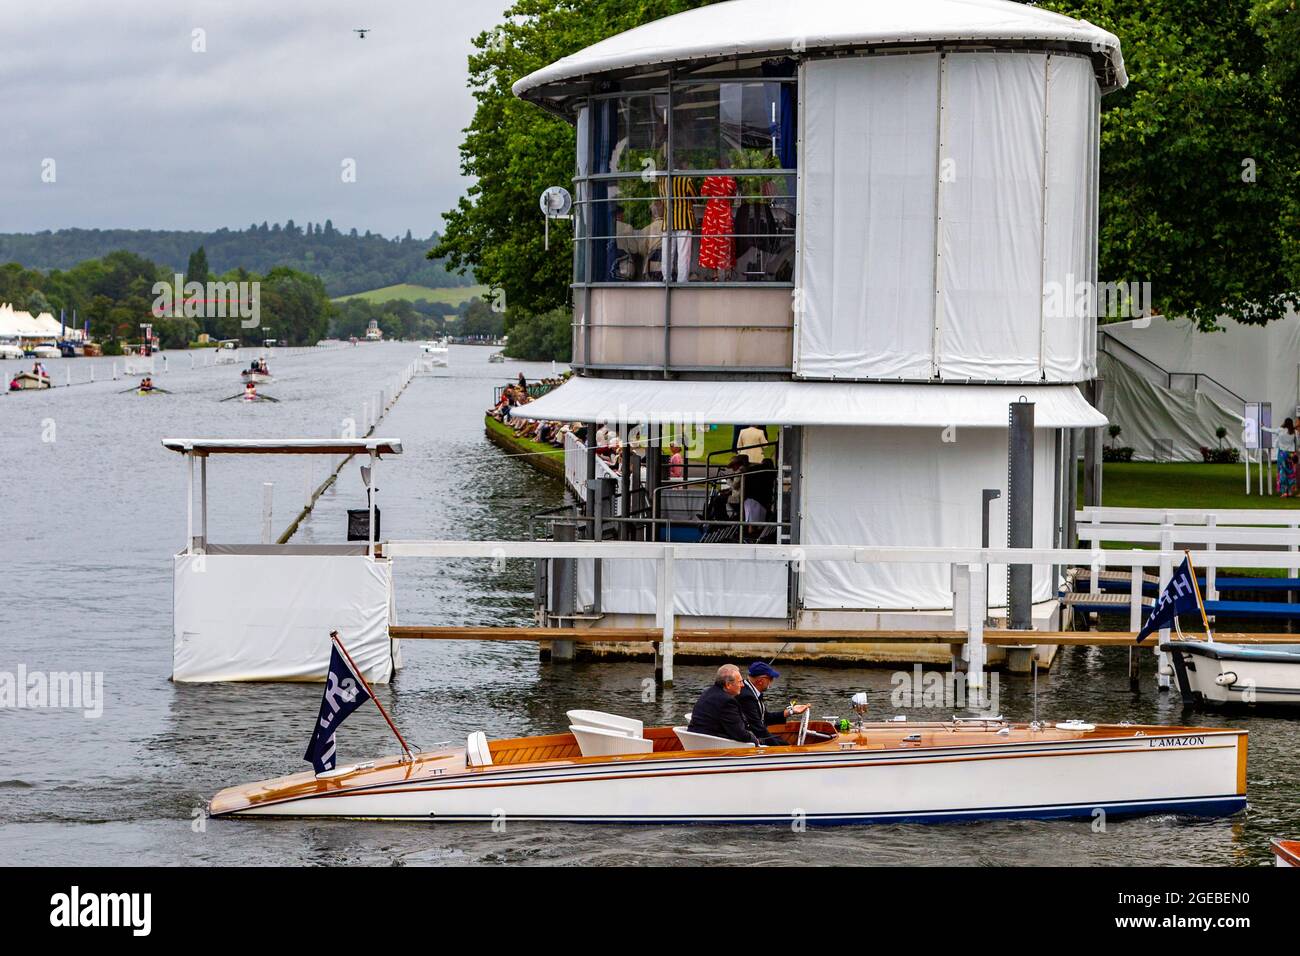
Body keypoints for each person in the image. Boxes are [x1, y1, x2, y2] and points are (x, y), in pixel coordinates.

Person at [687, 664, 760, 745]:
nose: (742, 685)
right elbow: (740, 734)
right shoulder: (727, 702)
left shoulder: (707, 692)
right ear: (728, 685)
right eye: (740, 682)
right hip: (717, 747)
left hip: (699, 742)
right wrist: (756, 740)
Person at [738, 662, 808, 745]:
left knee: (781, 741)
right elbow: (757, 727)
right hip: (748, 741)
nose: (771, 682)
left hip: (756, 734)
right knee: (783, 744)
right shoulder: (747, 696)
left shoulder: (752, 690)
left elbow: (765, 717)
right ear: (760, 681)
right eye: (770, 679)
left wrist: (790, 711)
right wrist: (782, 747)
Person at [1278, 418, 1298, 498]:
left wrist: (1262, 427)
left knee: (1283, 472)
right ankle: (1290, 491)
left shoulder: (1281, 431)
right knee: (1291, 473)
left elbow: (1271, 430)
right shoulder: (1294, 432)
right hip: (1291, 453)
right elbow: (1297, 442)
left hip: (1283, 453)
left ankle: (1284, 492)